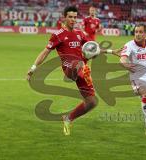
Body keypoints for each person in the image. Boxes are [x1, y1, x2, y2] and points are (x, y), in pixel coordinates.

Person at [27, 6, 119, 136]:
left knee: (92, 102)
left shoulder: (80, 34)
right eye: (70, 17)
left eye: (75, 17)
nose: (73, 20)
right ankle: (84, 70)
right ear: (64, 17)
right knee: (79, 63)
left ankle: (68, 119)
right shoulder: (57, 35)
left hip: (82, 70)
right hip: (70, 69)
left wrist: (111, 51)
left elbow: (93, 49)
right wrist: (33, 68)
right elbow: (45, 52)